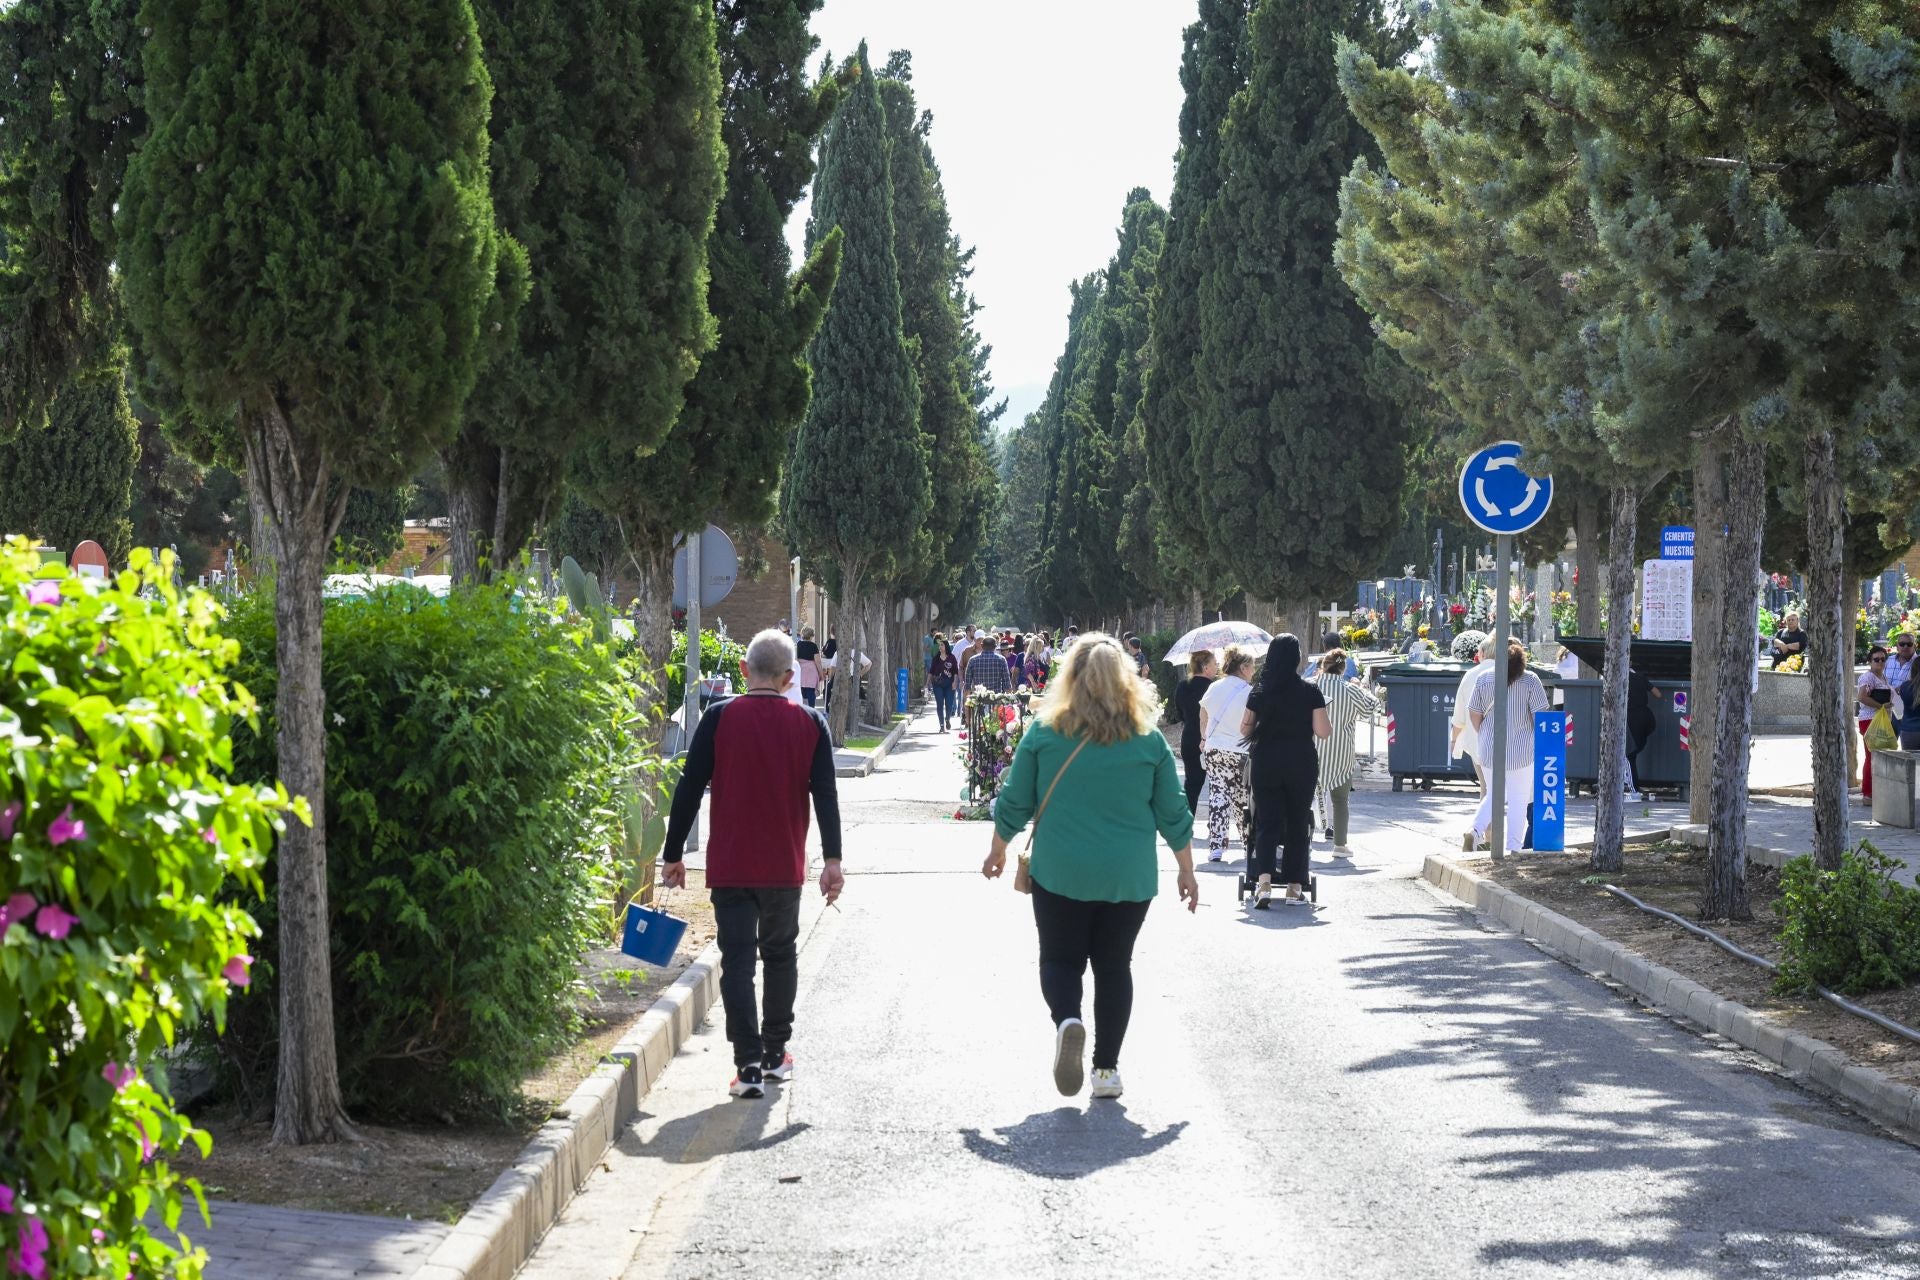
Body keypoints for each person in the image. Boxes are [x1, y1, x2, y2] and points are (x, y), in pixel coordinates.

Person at [981, 632, 1198, 1100]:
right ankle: (1106, 1071)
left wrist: (998, 848)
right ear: (1126, 679)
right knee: (1115, 966)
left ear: (1070, 678)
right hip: (1128, 876)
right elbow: (1173, 813)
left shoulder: (1044, 733)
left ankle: (1068, 1020)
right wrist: (1187, 869)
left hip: (1060, 871)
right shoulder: (1148, 740)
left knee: (1060, 960)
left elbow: (1016, 800)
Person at [661, 629, 844, 1099]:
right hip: (783, 867)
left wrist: (674, 854)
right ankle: (774, 1054)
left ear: (744, 671)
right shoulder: (811, 724)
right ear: (789, 678)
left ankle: (746, 1066)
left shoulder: (720, 718)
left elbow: (688, 787)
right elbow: (825, 793)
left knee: (738, 962)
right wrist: (832, 860)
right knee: (780, 956)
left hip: (731, 866)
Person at [1241, 635, 1331, 907]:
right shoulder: (1311, 692)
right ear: (1296, 659)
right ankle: (1293, 887)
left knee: (1266, 822)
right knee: (1297, 822)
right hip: (1300, 762)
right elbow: (1323, 732)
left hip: (1266, 761)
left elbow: (1244, 729)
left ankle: (1264, 882)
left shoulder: (1259, 691)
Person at [1466, 640, 1551, 852]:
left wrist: (1484, 732)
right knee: (1518, 801)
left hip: (1489, 747)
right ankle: (1514, 848)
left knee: (1494, 794)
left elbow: (1474, 713)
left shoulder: (1484, 679)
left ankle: (1475, 830)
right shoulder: (1531, 680)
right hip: (1522, 750)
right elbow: (1540, 717)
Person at [1312, 649, 1376, 857]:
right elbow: (1371, 707)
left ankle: (1303, 840)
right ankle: (1339, 844)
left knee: (1304, 799)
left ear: (1323, 665)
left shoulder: (1312, 687)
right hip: (1341, 752)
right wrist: (1361, 686)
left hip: (1311, 750)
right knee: (1340, 800)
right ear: (1343, 667)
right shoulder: (1349, 689)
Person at [1197, 646, 1256, 862]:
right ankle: (1247, 843)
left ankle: (1216, 846)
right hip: (1241, 751)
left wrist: (1205, 737)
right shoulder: (1250, 692)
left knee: (1218, 795)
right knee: (1242, 799)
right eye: (1252, 666)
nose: (1254, 671)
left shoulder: (1213, 688)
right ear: (1243, 667)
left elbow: (1203, 714)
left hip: (1216, 749)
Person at [1449, 638, 1498, 795]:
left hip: (1478, 741)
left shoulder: (1470, 675)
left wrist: (1454, 740)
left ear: (1482, 653)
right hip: (1509, 741)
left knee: (1486, 787)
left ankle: (1486, 820)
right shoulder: (1509, 673)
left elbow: (1459, 718)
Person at [1174, 650, 1217, 815]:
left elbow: (1179, 714)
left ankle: (1187, 819)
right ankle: (1215, 823)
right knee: (1217, 785)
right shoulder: (1213, 688)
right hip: (1212, 738)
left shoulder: (1183, 686)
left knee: (1191, 783)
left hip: (1190, 737)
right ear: (1205, 667)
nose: (1217, 667)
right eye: (1214, 664)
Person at [1859, 644, 1893, 797]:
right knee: (1871, 756)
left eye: (1882, 659)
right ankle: (1868, 794)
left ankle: (1875, 793)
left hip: (1880, 720)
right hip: (1869, 720)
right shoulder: (1868, 677)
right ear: (1869, 661)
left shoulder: (1883, 677)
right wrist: (1881, 706)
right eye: (1876, 659)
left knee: (1878, 756)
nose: (1880, 662)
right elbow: (1862, 697)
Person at [1624, 664, 1658, 798]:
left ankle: (1633, 789)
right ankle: (1628, 780)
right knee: (1635, 751)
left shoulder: (1621, 679)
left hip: (1632, 718)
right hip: (1647, 718)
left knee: (1629, 754)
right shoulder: (1640, 677)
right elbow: (1658, 693)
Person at [929, 637, 960, 732]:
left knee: (949, 703)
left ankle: (947, 719)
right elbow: (931, 671)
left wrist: (955, 682)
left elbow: (955, 671)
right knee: (939, 704)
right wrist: (927, 683)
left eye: (942, 645)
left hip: (949, 684)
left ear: (946, 646)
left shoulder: (952, 658)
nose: (940, 647)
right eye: (939, 645)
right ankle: (941, 725)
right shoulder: (936, 658)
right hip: (937, 684)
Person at [794, 626, 823, 708]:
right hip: (811, 670)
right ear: (811, 636)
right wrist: (821, 674)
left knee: (801, 690)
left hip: (801, 669)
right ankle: (811, 709)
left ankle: (801, 709)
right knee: (811, 690)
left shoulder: (798, 645)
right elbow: (818, 661)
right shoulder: (813, 646)